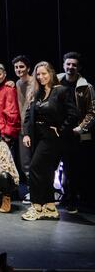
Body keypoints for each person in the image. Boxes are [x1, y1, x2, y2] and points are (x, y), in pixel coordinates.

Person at [21, 61, 78, 221]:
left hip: (52, 137)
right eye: (38, 74)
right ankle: (50, 207)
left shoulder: (61, 91)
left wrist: (61, 129)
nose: (41, 77)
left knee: (34, 168)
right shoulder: (36, 93)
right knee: (45, 172)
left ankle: (37, 206)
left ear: (51, 73)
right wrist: (26, 134)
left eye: (44, 73)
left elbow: (73, 114)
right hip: (37, 136)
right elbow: (28, 116)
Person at [57, 52, 94, 214]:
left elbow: (92, 112)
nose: (71, 67)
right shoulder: (56, 82)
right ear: (63, 65)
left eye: (74, 65)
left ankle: (73, 200)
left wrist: (80, 129)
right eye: (68, 64)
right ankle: (63, 196)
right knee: (59, 167)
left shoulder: (86, 87)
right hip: (59, 131)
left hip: (76, 134)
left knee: (74, 169)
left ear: (79, 67)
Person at [0, 63, 21, 165]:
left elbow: (13, 113)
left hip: (5, 134)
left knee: (6, 163)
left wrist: (8, 134)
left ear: (5, 74)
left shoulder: (9, 90)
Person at [12, 54, 32, 187]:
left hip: (35, 125)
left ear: (28, 68)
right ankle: (31, 189)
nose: (19, 69)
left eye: (21, 66)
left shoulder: (36, 82)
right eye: (16, 67)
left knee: (37, 159)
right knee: (25, 161)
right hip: (23, 127)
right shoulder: (18, 83)